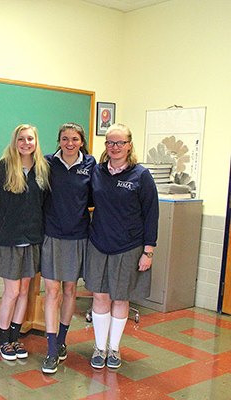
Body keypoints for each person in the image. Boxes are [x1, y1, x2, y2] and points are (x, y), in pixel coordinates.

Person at [86, 123, 158, 370]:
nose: (114, 147)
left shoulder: (141, 176)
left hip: (129, 246)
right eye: (110, 143)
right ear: (105, 146)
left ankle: (114, 349)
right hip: (98, 243)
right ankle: (100, 347)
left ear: (129, 145)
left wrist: (148, 251)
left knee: (120, 298)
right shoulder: (97, 172)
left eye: (120, 143)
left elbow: (151, 215)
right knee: (100, 295)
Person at [41, 123, 96, 374]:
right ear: (59, 141)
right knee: (52, 293)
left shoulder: (91, 165)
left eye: (75, 139)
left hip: (78, 236)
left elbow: (95, 199)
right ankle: (52, 350)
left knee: (70, 289)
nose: (70, 143)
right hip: (51, 235)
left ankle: (62, 339)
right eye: (65, 139)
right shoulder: (48, 163)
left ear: (81, 141)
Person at [0, 124, 50, 361]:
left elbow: (44, 203)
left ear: (36, 142)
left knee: (24, 290)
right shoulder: (4, 166)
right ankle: (3, 339)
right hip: (10, 238)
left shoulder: (43, 168)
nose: (26, 143)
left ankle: (15, 338)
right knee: (12, 291)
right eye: (21, 139)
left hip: (33, 238)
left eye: (30, 139)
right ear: (14, 142)